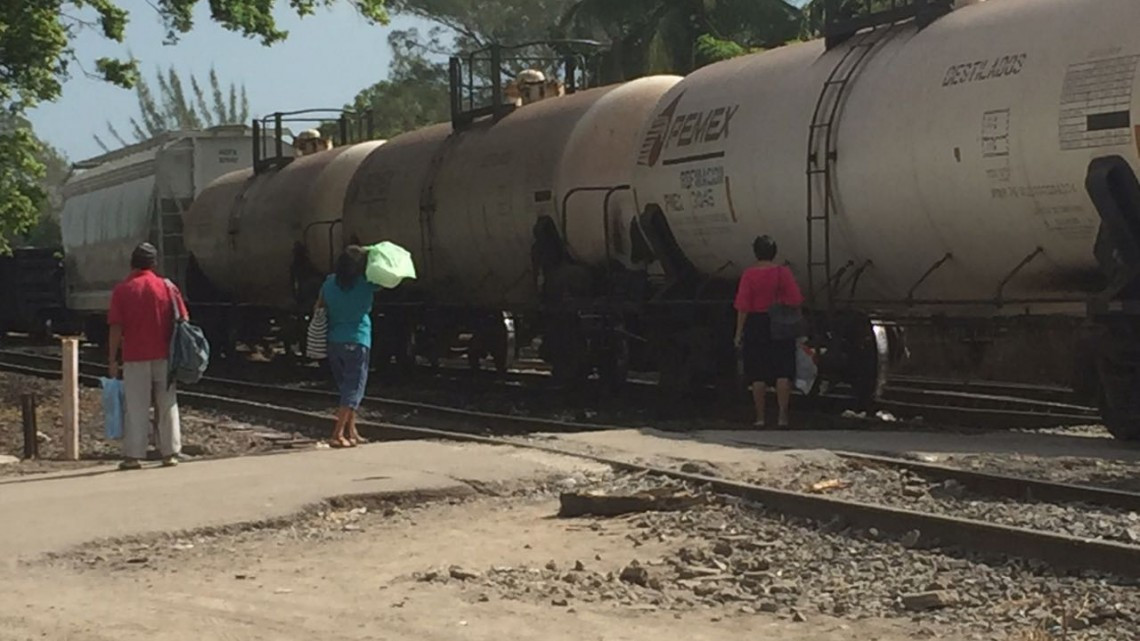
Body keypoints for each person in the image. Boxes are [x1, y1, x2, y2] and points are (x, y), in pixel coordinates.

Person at [108, 243, 189, 470]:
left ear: (132, 263)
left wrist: (112, 359)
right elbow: (183, 319)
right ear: (154, 264)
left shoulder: (123, 290)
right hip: (165, 356)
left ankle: (134, 456)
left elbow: (116, 327)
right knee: (167, 403)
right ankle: (170, 452)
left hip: (135, 356)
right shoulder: (168, 287)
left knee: (136, 406)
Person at [733, 235, 804, 428]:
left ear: (755, 252)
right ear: (774, 253)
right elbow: (796, 299)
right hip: (780, 323)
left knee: (757, 373)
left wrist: (738, 332)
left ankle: (760, 418)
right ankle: (782, 417)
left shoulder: (749, 275)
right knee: (783, 372)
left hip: (756, 324)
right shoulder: (783, 273)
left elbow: (743, 306)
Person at [316, 246, 379, 447]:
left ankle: (352, 432)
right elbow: (386, 283)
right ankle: (337, 434)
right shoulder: (366, 284)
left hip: (334, 340)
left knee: (345, 388)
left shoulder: (329, 283)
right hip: (358, 338)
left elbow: (319, 306)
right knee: (353, 389)